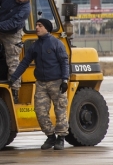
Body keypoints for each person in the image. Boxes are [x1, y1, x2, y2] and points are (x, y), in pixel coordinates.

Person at [9, 18, 69, 151]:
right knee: (40, 111)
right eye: (36, 25)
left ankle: (61, 138)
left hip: (57, 82)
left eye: (40, 25)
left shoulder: (56, 43)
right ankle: (50, 136)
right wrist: (13, 78)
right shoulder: (35, 46)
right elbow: (24, 63)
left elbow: (64, 62)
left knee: (60, 111)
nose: (36, 27)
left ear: (47, 28)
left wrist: (65, 80)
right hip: (41, 84)